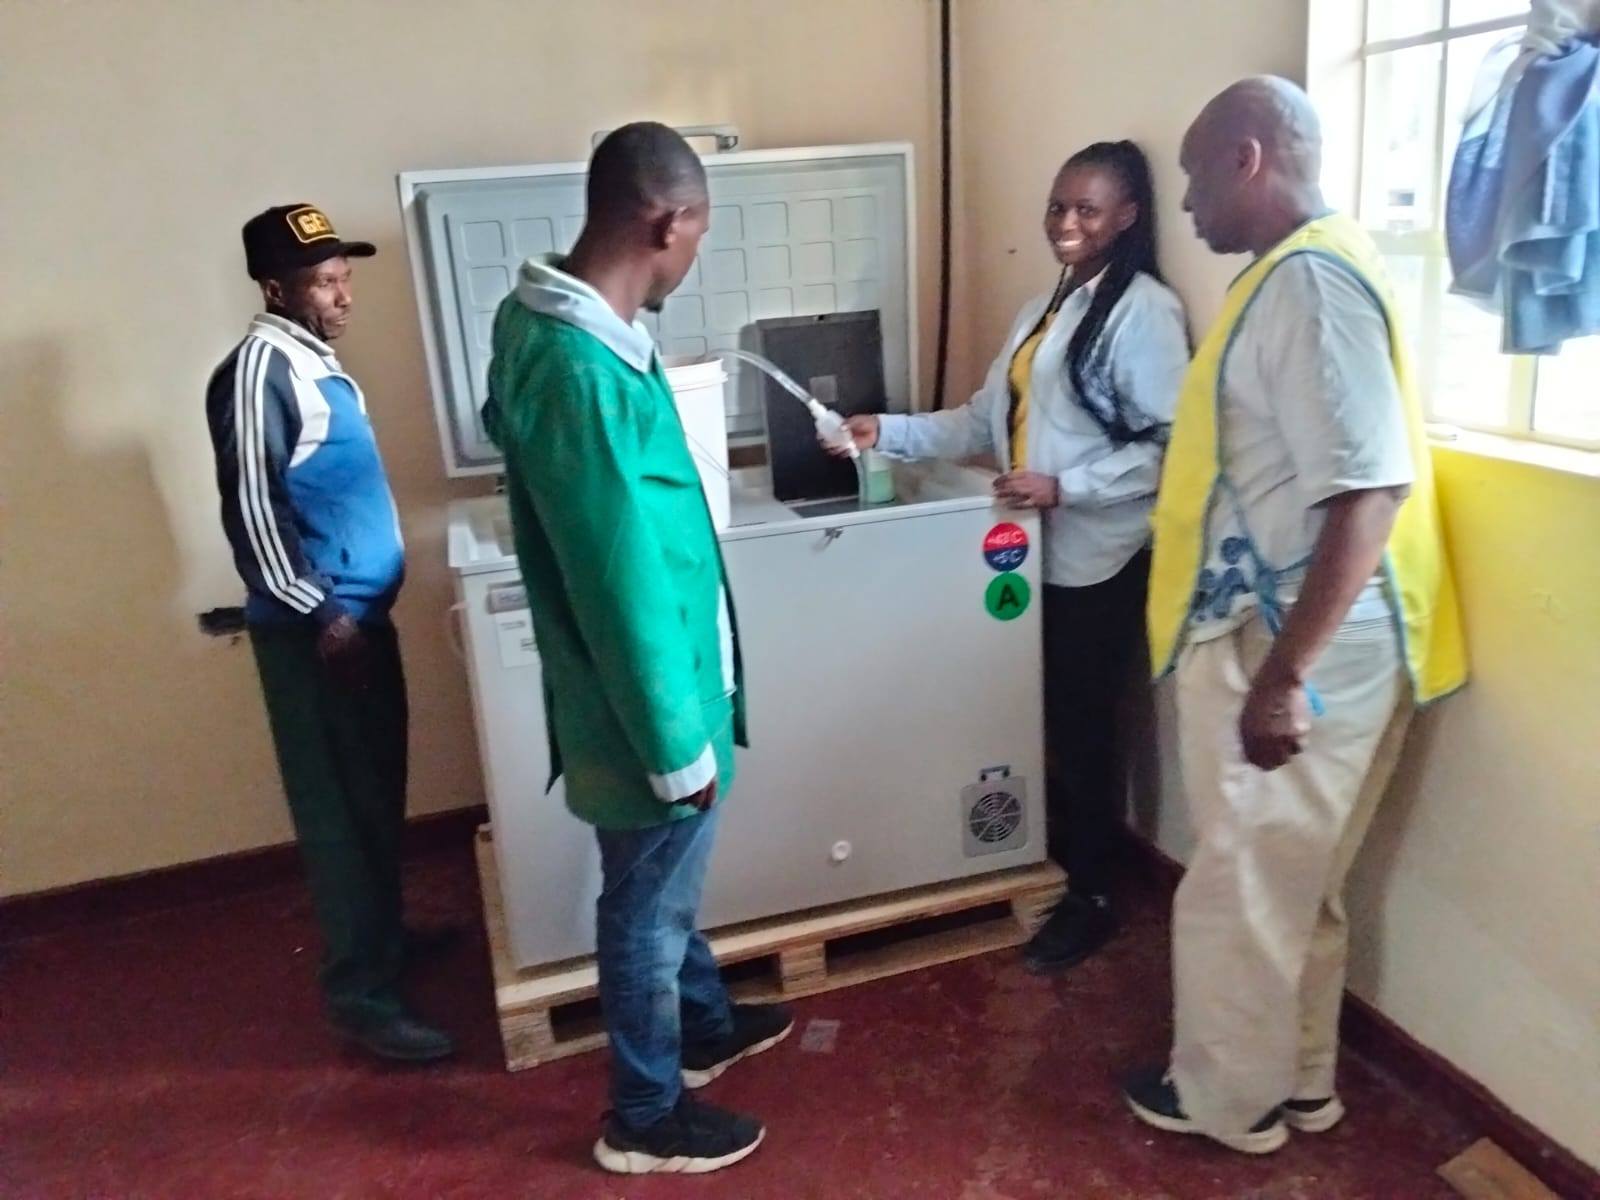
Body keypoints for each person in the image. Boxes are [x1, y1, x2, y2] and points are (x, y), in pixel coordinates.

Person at [1124, 77, 1468, 1154]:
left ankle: (1228, 1101)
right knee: (1291, 880)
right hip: (1318, 631)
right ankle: (1301, 1080)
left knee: (1240, 885)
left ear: (1247, 156)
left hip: (1300, 642)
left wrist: (1282, 677)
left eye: (1191, 174)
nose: (1184, 204)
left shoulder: (1309, 288)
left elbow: (1367, 490)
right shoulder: (1303, 274)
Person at [484, 123, 791, 1176]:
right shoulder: (580, 371)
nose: (694, 255)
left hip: (670, 682)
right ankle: (644, 1115)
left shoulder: (558, 324)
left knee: (660, 883)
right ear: (665, 221)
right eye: (696, 235)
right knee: (645, 905)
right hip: (649, 701)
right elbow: (617, 582)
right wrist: (675, 746)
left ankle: (700, 1026)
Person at [837, 141, 1189, 972]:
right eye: (1057, 207)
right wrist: (885, 429)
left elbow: (1174, 446)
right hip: (1031, 553)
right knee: (1047, 719)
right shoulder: (1047, 307)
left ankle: (1094, 895)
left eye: (1088, 209)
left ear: (1128, 217)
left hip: (1098, 556)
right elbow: (979, 420)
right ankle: (1060, 858)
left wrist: (1066, 488)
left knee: (1086, 727)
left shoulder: (1146, 313)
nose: (1067, 223)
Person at [205, 205, 456, 1063]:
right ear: (275, 288)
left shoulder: (316, 365)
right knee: (340, 815)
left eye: (346, 276)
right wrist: (325, 614)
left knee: (376, 794)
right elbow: (255, 513)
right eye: (324, 281)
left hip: (357, 623)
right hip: (320, 637)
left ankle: (384, 942)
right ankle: (359, 992)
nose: (343, 294)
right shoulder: (256, 372)